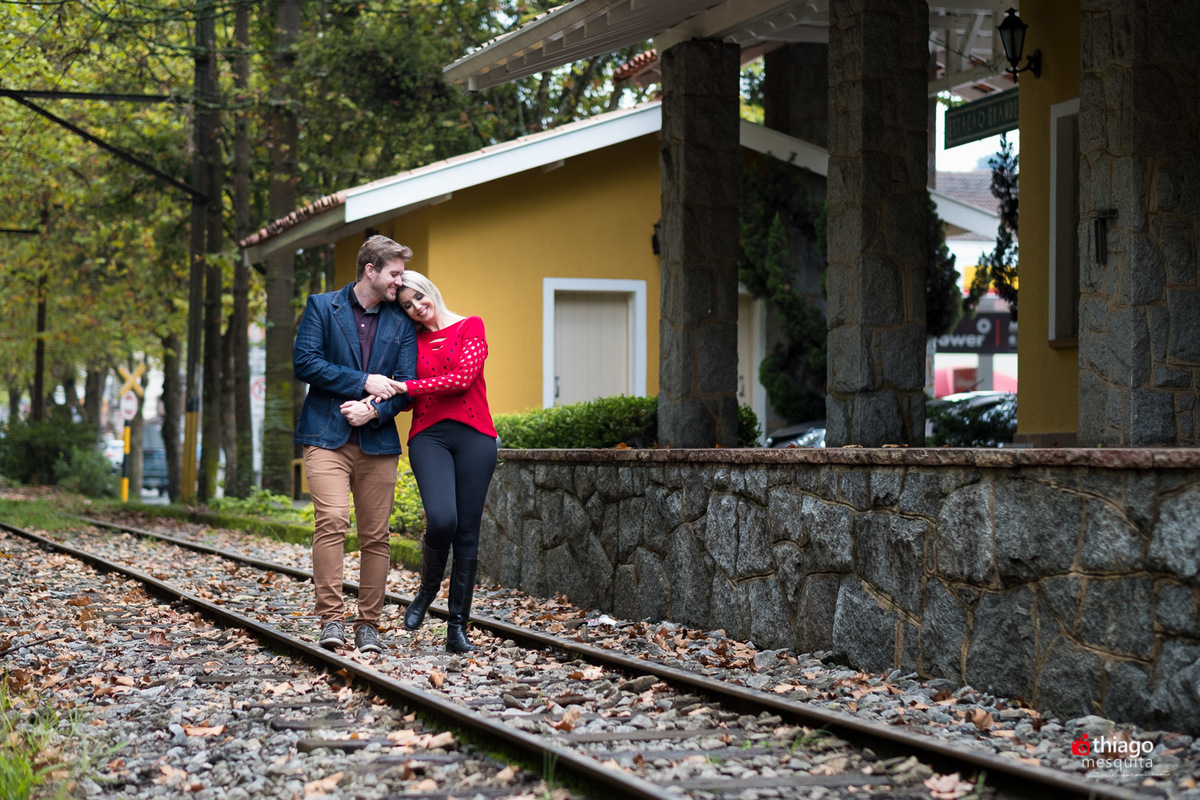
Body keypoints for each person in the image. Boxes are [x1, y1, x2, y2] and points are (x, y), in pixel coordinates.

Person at [293, 235, 417, 654]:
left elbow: (405, 389)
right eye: (394, 274)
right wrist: (362, 382)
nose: (399, 282)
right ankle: (331, 620)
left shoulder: (401, 322)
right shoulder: (321, 307)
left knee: (376, 536)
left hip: (377, 441)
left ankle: (369, 625)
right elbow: (305, 362)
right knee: (332, 522)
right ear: (371, 270)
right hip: (325, 434)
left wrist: (375, 411)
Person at [381, 270, 498, 653]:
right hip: (428, 436)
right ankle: (427, 588)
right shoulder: (409, 342)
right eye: (407, 306)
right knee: (443, 519)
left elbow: (463, 378)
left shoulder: (470, 326)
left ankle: (457, 628)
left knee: (467, 531)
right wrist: (374, 401)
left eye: (418, 298)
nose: (416, 308)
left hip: (475, 436)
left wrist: (408, 385)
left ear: (430, 291)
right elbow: (400, 391)